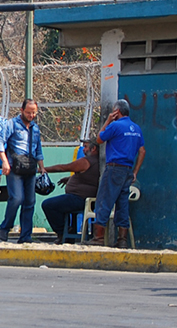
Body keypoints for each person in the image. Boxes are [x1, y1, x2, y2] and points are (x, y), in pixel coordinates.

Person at [93, 99, 145, 248]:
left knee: (104, 200)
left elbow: (99, 139)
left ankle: (98, 237)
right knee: (122, 204)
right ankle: (122, 240)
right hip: (128, 170)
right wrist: (135, 171)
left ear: (117, 112)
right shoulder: (136, 128)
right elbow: (142, 151)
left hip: (114, 168)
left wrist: (108, 120)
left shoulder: (115, 125)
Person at [0, 99, 46, 243]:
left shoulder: (35, 128)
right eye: (28, 112)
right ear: (22, 110)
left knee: (30, 202)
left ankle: (26, 236)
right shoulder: (12, 124)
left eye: (34, 113)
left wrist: (42, 167)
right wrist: (4, 161)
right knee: (16, 198)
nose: (31, 115)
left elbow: (38, 149)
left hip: (30, 167)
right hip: (15, 167)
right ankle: (5, 228)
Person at [41, 138, 100, 244]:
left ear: (94, 148)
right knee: (60, 205)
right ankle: (67, 232)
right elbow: (88, 177)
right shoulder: (97, 162)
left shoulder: (87, 161)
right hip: (84, 198)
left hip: (79, 198)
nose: (83, 150)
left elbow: (63, 167)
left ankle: (63, 231)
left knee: (48, 205)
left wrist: (43, 169)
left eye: (86, 147)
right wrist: (69, 179)